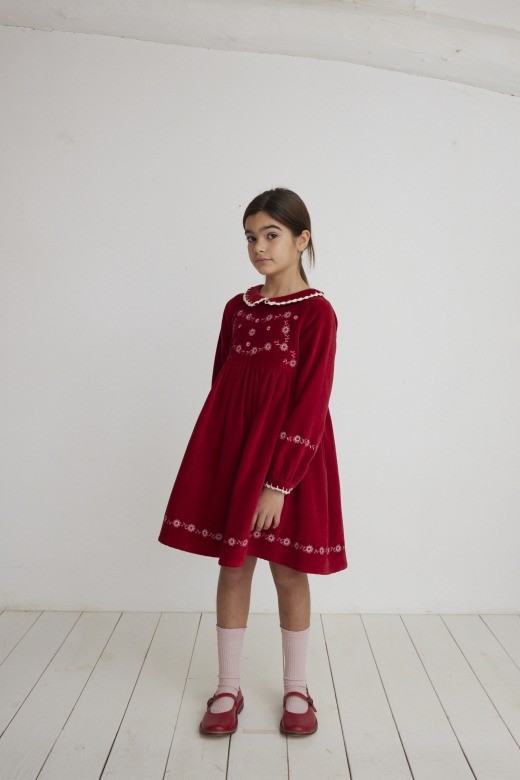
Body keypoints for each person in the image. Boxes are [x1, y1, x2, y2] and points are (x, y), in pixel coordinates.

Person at [158, 187, 348, 737]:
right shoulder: (237, 309)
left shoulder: (316, 313)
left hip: (293, 458)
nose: (259, 247)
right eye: (250, 237)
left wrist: (279, 483)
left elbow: (312, 399)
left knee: (288, 571)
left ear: (301, 240)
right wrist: (222, 461)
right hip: (238, 455)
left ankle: (297, 687)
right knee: (234, 566)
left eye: (271, 235)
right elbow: (222, 385)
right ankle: (227, 686)